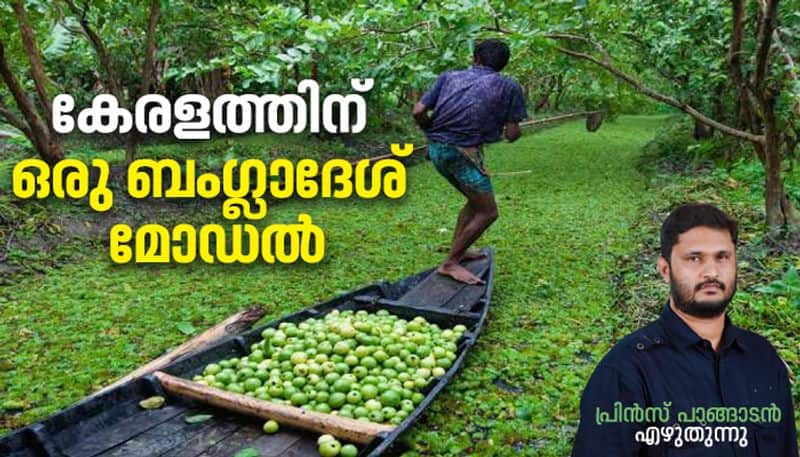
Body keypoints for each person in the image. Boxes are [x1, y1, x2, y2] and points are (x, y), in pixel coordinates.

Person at [572, 203, 798, 457]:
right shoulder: (625, 373)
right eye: (694, 258)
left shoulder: (762, 359)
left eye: (722, 257)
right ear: (665, 270)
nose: (711, 271)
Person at [412, 39, 527, 284]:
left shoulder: (449, 77)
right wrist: (512, 133)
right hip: (462, 155)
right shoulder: (509, 86)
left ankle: (459, 252)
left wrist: (431, 129)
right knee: (488, 212)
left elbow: (418, 111)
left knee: (474, 203)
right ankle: (450, 263)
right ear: (503, 65)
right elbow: (512, 133)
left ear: (476, 58)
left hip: (436, 150)